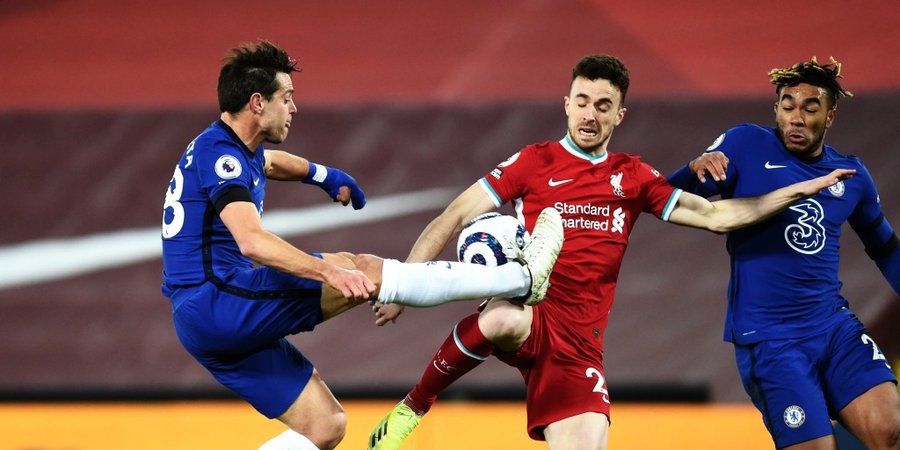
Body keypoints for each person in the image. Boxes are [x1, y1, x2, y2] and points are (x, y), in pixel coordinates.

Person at [366, 54, 855, 450]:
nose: (590, 114)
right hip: (531, 307)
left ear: (619, 115)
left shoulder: (633, 176)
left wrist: (797, 190)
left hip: (580, 344)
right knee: (501, 321)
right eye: (582, 101)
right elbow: (453, 215)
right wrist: (405, 286)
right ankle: (413, 407)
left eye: (603, 105)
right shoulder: (534, 162)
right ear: (566, 104)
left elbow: (715, 216)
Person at [159, 39, 565, 450]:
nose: (294, 108)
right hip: (217, 302)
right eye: (287, 98)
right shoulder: (221, 157)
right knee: (361, 269)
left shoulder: (230, 147)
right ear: (258, 103)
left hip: (205, 318)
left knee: (326, 425)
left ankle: (511, 278)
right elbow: (251, 241)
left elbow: (269, 163)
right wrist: (327, 271)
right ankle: (519, 278)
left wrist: (324, 175)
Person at [667, 57, 900, 450]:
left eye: (811, 108)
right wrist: (693, 169)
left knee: (890, 428)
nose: (796, 117)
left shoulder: (851, 176)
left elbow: (885, 248)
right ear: (776, 109)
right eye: (788, 105)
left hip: (833, 328)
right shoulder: (744, 144)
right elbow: (666, 200)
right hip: (771, 340)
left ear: (830, 117)